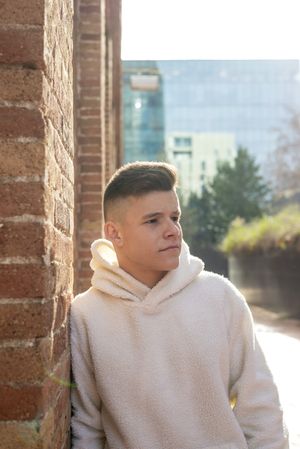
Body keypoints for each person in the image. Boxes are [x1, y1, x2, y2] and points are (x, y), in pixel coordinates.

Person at [71, 161, 289, 449]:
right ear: (114, 233)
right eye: (153, 220)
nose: (173, 230)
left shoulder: (219, 296)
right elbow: (87, 428)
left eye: (175, 217)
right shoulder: (87, 314)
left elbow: (262, 409)